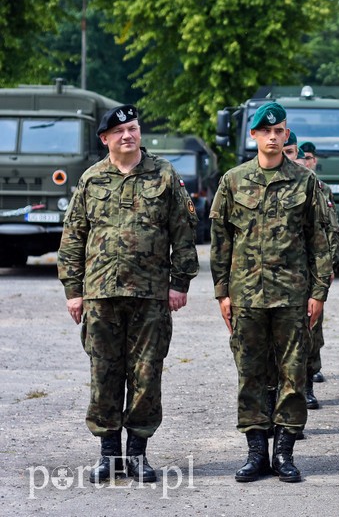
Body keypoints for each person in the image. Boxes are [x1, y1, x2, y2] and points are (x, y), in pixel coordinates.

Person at [57, 104, 199, 484]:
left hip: (151, 296)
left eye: (133, 128)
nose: (128, 136)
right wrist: (73, 291)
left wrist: (180, 282)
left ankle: (137, 453)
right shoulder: (91, 180)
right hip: (101, 294)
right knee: (104, 373)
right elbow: (73, 238)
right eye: (119, 132)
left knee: (146, 374)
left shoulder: (164, 174)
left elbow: (184, 232)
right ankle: (109, 455)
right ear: (105, 139)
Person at [209, 102, 332, 483]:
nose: (274, 137)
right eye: (266, 131)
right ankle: (256, 452)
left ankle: (284, 452)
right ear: (254, 136)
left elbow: (320, 240)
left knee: (292, 375)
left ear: (285, 134)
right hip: (246, 297)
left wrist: (318, 292)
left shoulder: (304, 181)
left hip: (292, 297)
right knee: (250, 374)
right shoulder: (233, 180)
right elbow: (221, 240)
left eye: (279, 131)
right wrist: (222, 292)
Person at [299, 140, 339, 408]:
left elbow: (330, 229)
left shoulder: (321, 189)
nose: (302, 161)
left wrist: (330, 264)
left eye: (306, 157)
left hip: (312, 270)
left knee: (312, 328)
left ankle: (308, 382)